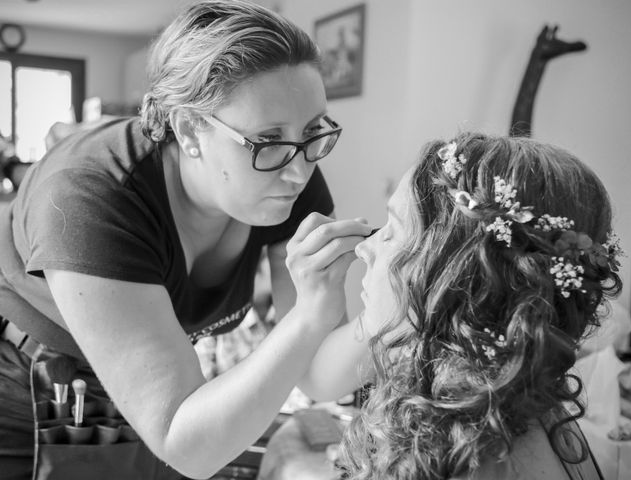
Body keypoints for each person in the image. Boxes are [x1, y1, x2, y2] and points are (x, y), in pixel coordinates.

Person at [0, 1, 372, 479]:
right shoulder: (90, 199)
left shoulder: (288, 172)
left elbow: (320, 375)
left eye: (313, 131)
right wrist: (305, 318)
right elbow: (187, 443)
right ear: (190, 130)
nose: (301, 171)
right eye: (269, 139)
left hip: (155, 392)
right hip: (42, 390)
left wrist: (393, 301)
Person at [305, 132, 622, 479]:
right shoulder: (525, 412)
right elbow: (320, 379)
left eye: (392, 231)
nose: (364, 250)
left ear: (459, 274)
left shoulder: (466, 461)